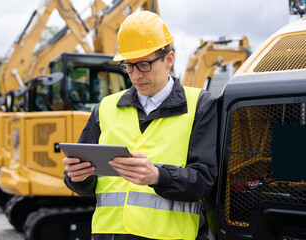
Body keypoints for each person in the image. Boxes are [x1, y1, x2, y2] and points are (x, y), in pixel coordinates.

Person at [63, 10, 218, 240]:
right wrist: (77, 176)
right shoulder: (105, 108)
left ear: (169, 59)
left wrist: (158, 176)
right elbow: (86, 185)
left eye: (144, 64)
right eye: (128, 66)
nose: (136, 75)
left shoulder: (200, 105)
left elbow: (206, 182)